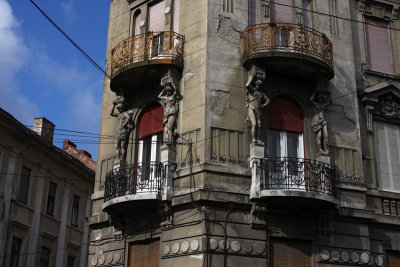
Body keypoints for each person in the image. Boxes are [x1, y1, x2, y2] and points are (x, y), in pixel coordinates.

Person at [110, 96, 134, 162]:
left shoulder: (125, 113)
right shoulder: (119, 114)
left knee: (123, 146)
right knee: (116, 146)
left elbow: (129, 117)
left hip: (123, 132)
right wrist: (114, 105)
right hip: (118, 132)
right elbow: (111, 113)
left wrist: (125, 123)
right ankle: (118, 158)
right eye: (118, 108)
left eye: (119, 108)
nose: (118, 109)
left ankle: (122, 158)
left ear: (122, 108)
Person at [246, 78, 270, 143]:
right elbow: (247, 86)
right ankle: (254, 139)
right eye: (257, 85)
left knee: (259, 125)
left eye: (259, 85)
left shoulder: (261, 94)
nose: (258, 86)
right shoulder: (253, 91)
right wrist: (251, 78)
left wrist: (264, 105)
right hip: (251, 108)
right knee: (254, 124)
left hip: (258, 110)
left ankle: (258, 138)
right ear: (256, 85)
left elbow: (268, 100)